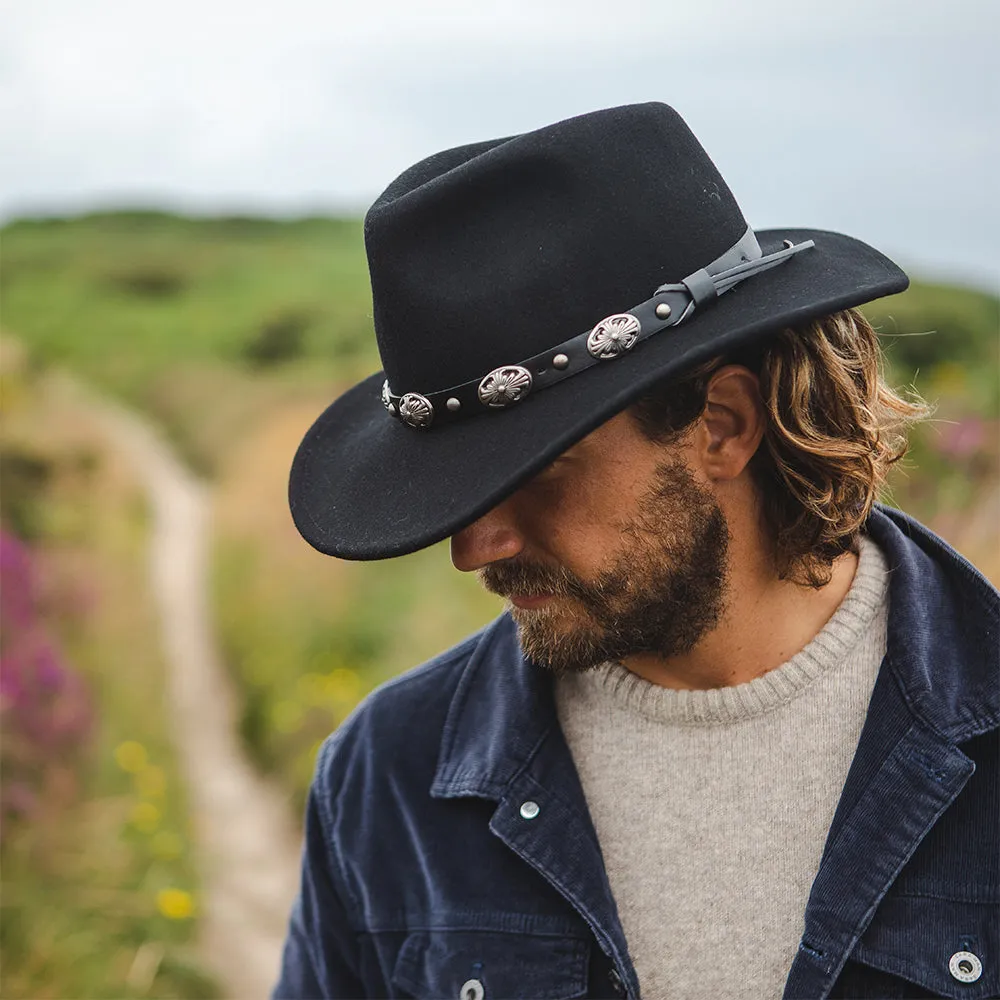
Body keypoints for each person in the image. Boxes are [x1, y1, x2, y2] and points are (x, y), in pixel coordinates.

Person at [274, 103, 998, 999]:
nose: (474, 549)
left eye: (538, 471)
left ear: (724, 427)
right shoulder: (389, 777)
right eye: (456, 494)